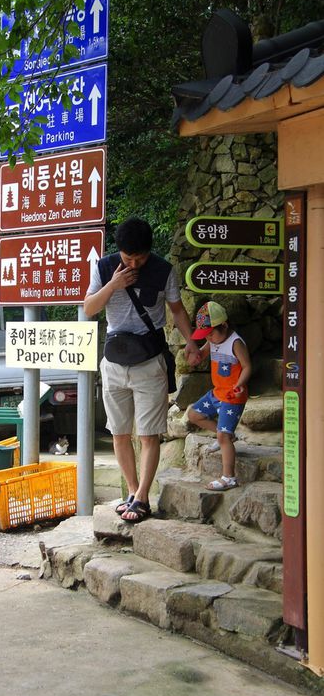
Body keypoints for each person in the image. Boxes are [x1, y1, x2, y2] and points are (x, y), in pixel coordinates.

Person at [84, 216, 200, 523]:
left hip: (149, 361)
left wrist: (191, 343)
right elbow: (89, 308)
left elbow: (177, 309)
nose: (134, 264)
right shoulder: (105, 267)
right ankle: (132, 493)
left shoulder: (163, 270)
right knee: (119, 433)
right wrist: (114, 284)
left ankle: (143, 497)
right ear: (119, 251)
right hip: (113, 362)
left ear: (149, 251)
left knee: (149, 434)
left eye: (140, 258)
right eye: (127, 258)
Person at [187, 301, 252, 490]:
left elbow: (247, 366)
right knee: (194, 415)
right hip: (217, 392)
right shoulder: (212, 340)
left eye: (210, 333)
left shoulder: (235, 342)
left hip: (233, 396)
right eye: (205, 335)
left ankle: (229, 477)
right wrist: (195, 356)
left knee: (223, 435)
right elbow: (202, 354)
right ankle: (225, 436)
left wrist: (240, 383)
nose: (208, 338)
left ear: (224, 325)